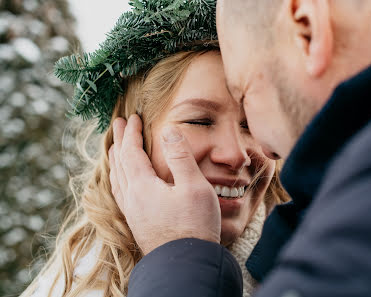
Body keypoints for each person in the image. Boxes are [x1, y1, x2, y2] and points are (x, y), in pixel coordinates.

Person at [113, 0, 371, 296]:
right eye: (199, 121)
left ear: (307, 29)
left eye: (245, 98)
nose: (243, 154)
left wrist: (179, 253)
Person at [20, 2, 289, 297]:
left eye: (251, 123)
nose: (236, 154)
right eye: (199, 121)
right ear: (133, 144)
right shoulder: (72, 288)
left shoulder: (321, 258)